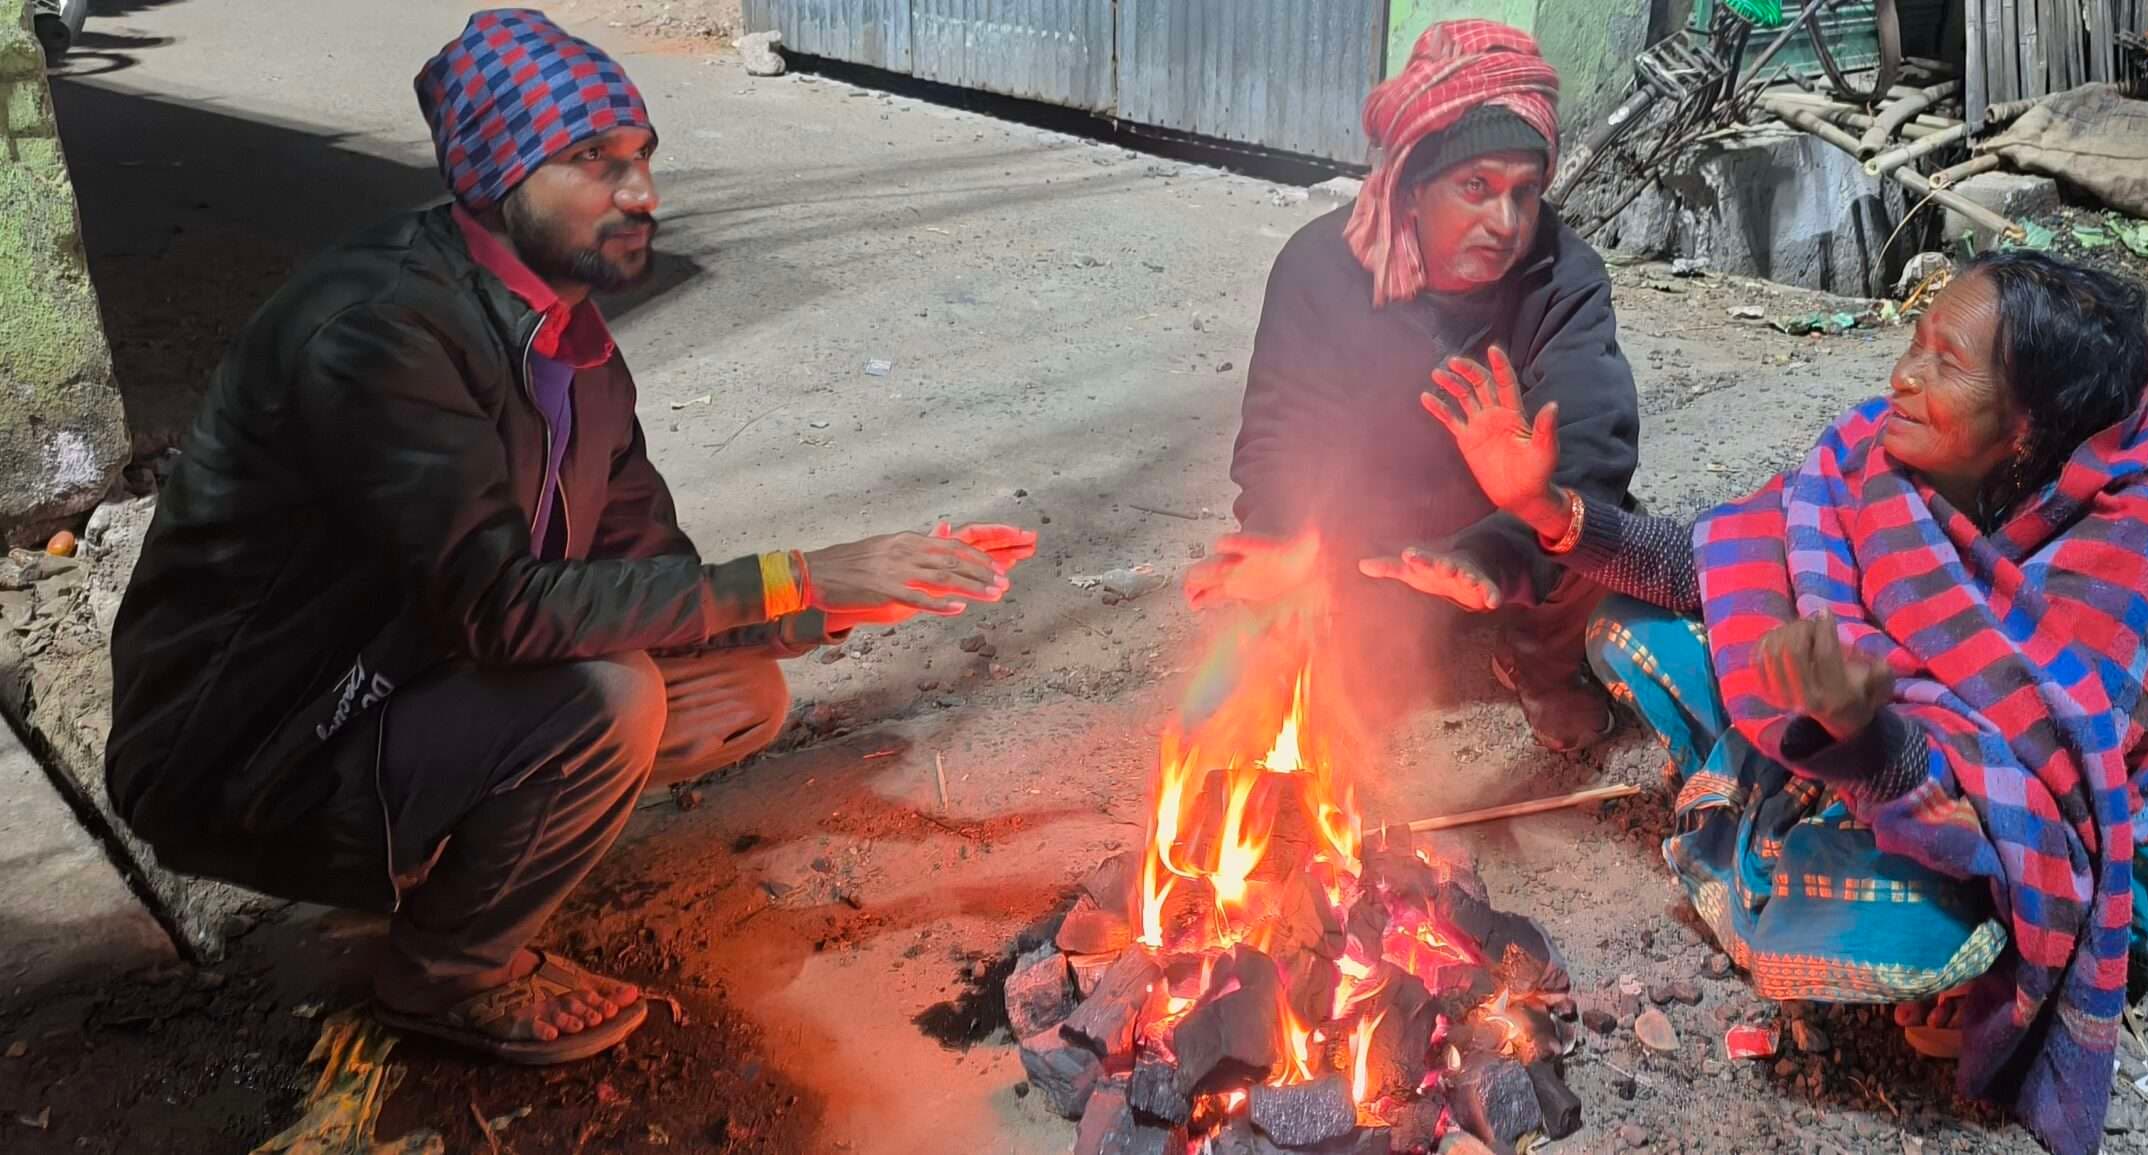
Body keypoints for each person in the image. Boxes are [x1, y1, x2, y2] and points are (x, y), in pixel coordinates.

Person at [103, 9, 1035, 1066]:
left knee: (738, 692)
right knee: (611, 700)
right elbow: (497, 608)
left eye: (641, 159)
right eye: (594, 162)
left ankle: (447, 854)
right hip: (251, 743)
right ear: (496, 177)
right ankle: (445, 973)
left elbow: (654, 578)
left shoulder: (572, 344)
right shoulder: (376, 333)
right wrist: (790, 574)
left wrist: (840, 597)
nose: (641, 195)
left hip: (413, 670)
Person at [1405, 251, 2148, 1155]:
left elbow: (2026, 806)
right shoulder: (1872, 461)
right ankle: (1797, 792)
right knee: (1626, 624)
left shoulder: (2122, 551)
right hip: (1883, 745)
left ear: (2029, 430)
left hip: (2066, 841)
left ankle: (1897, 901)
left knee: (1924, 937)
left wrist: (1867, 736)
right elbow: (1705, 565)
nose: (1904, 376)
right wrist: (1549, 508)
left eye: (1947, 363)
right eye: (1915, 343)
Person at [1182, 20, 1639, 753]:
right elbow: (1278, 432)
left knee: (1599, 530)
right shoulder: (1319, 269)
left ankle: (1537, 658)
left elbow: (1594, 439)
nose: (1506, 222)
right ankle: (1322, 646)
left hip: (1501, 541)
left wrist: (1499, 545)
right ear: (1413, 186)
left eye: (1526, 193)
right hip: (1358, 542)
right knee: (1264, 637)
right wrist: (1291, 534)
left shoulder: (1565, 277)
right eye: (1476, 187)